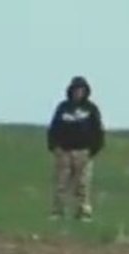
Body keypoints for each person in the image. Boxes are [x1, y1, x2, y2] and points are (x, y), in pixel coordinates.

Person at [46, 76, 105, 221]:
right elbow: (54, 128)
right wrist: (54, 147)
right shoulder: (63, 108)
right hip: (64, 152)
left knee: (82, 184)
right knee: (61, 183)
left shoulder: (91, 109)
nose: (78, 92)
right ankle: (58, 211)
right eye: (76, 90)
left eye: (81, 90)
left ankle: (83, 212)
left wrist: (93, 150)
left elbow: (98, 130)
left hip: (83, 152)